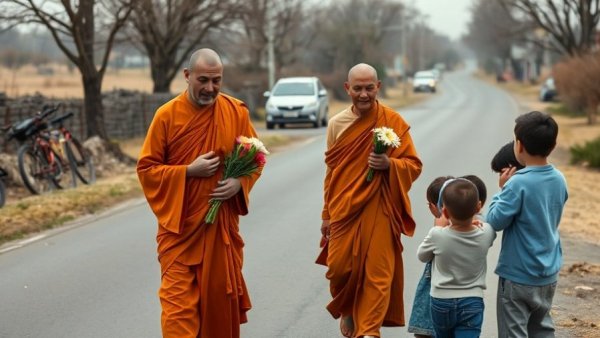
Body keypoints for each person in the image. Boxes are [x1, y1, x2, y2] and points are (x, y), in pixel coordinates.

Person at [137, 48, 263, 338]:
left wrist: (239, 184)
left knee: (217, 311)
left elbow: (255, 157)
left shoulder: (235, 111)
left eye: (216, 80)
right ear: (187, 76)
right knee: (178, 313)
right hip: (178, 234)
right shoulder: (166, 116)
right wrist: (187, 171)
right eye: (203, 80)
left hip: (219, 233)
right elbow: (146, 170)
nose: (210, 88)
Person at [316, 63, 423, 338]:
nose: (364, 94)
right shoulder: (336, 124)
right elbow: (332, 173)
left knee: (378, 275)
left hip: (380, 208)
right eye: (358, 88)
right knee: (339, 269)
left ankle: (370, 331)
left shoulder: (392, 122)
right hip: (343, 209)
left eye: (369, 88)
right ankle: (349, 307)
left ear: (378, 87)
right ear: (347, 89)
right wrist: (326, 213)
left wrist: (389, 164)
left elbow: (413, 164)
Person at [486, 111, 568, 338]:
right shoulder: (559, 178)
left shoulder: (517, 183)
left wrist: (501, 191)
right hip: (548, 273)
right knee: (542, 330)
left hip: (518, 275)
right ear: (552, 145)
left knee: (514, 333)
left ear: (519, 145)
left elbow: (494, 220)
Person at [417, 178, 496, 338]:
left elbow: (422, 256)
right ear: (478, 207)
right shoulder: (487, 232)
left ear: (444, 212)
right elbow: (483, 227)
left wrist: (439, 227)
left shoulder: (437, 234)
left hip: (440, 300)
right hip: (472, 300)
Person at [408, 175, 453, 338]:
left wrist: (436, 231)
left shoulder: (439, 233)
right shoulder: (474, 230)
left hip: (435, 299)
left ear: (435, 207)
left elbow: (423, 255)